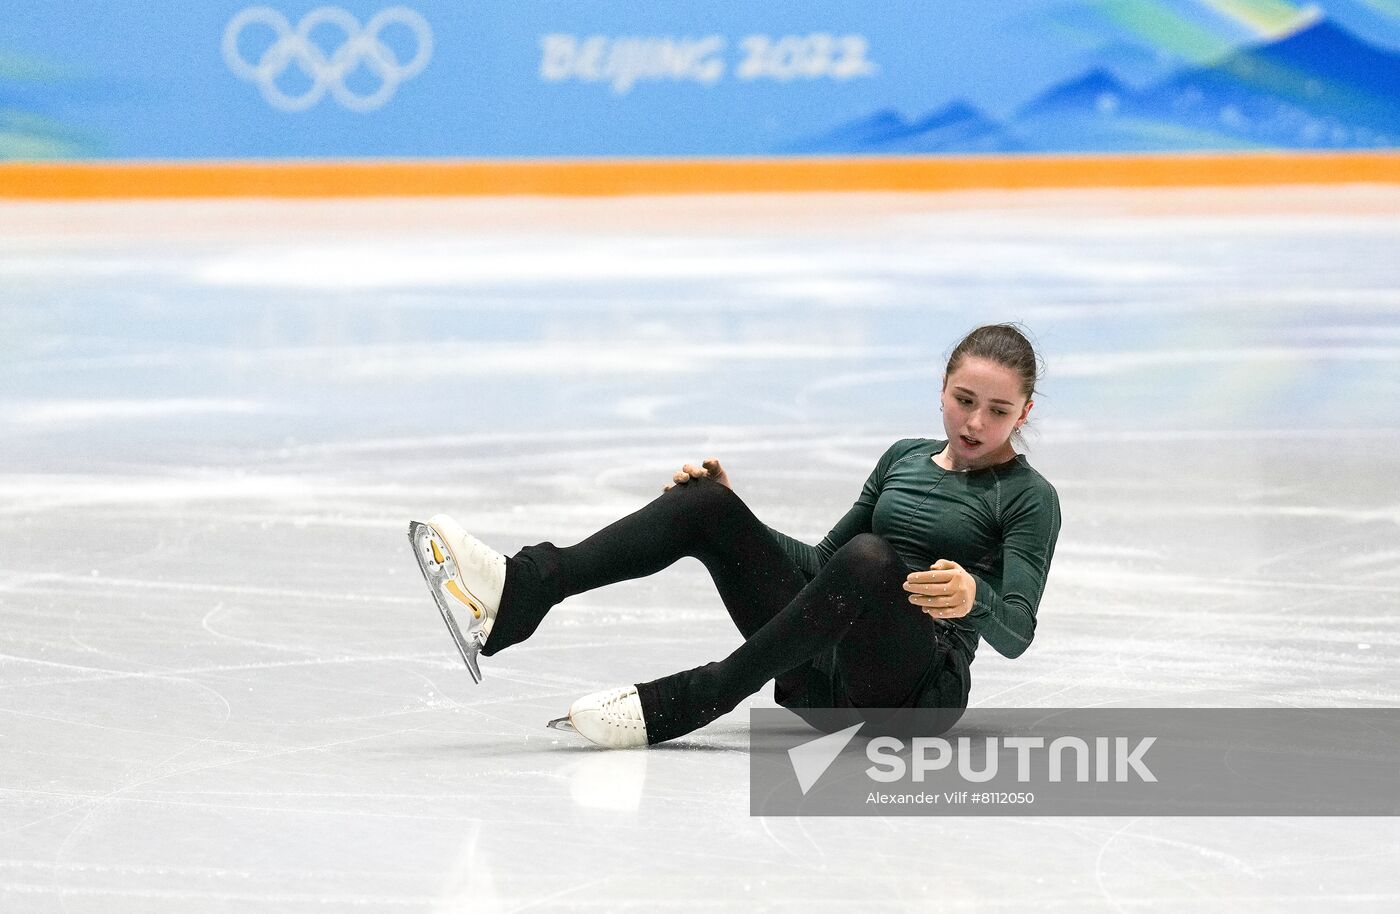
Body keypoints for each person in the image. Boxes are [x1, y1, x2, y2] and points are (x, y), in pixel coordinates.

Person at [408, 323, 1061, 749]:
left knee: (873, 557)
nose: (975, 422)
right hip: (821, 681)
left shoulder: (1029, 498)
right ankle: (524, 590)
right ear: (942, 389)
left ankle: (701, 695)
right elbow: (823, 568)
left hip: (914, 699)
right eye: (963, 399)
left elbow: (1016, 632)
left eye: (999, 410)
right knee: (704, 503)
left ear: (1024, 412)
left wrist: (974, 596)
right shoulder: (904, 459)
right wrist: (732, 514)